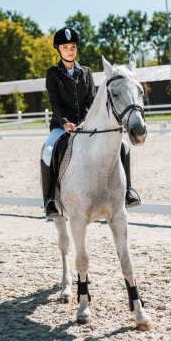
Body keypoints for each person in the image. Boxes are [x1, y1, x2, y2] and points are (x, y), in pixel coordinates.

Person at [41, 27, 140, 218]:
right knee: (48, 150)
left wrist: (87, 122)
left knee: (125, 146)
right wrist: (64, 122)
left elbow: (92, 101)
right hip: (62, 126)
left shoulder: (85, 72)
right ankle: (50, 200)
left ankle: (128, 191)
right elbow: (55, 102)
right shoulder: (52, 73)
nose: (70, 50)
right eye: (65, 47)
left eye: (72, 47)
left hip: (86, 126)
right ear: (58, 50)